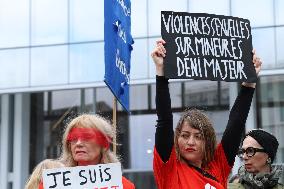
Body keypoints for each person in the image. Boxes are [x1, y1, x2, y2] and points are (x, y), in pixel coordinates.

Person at [151, 39, 262, 189]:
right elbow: (164, 120)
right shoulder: (169, 168)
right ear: (176, 139)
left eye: (198, 136)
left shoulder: (218, 165)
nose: (190, 142)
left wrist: (249, 82)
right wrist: (161, 72)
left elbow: (236, 124)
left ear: (208, 141)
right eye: (184, 135)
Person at [58, 113, 135, 189]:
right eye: (74, 138)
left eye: (86, 137)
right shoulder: (54, 184)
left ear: (104, 143)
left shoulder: (124, 186)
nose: (78, 143)